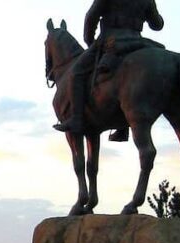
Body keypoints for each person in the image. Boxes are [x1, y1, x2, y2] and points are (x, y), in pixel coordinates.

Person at [54, 0, 164, 141]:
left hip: (110, 41)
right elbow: (157, 25)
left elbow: (91, 17)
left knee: (76, 73)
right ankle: (122, 128)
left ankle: (76, 118)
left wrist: (90, 41)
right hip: (137, 42)